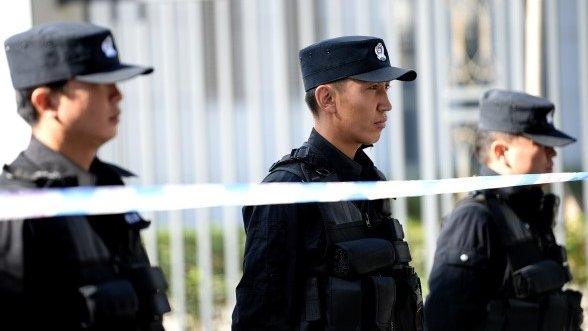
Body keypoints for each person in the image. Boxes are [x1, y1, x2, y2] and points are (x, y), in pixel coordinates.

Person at [232, 36, 423, 330]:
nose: (386, 104)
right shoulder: (287, 190)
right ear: (327, 99)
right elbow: (258, 316)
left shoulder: (370, 180)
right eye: (372, 88)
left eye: (386, 88)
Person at [0, 21, 170, 330]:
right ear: (46, 101)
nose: (117, 95)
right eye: (97, 83)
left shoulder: (109, 187)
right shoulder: (16, 208)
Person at [424, 89, 583, 331]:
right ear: (501, 152)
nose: (552, 154)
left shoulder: (529, 211)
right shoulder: (473, 220)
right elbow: (445, 320)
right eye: (541, 144)